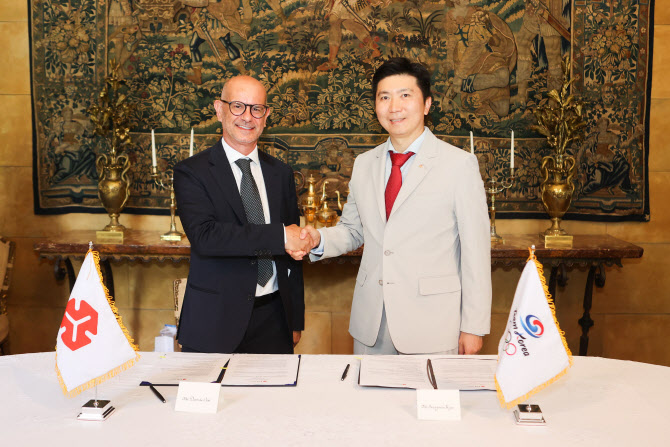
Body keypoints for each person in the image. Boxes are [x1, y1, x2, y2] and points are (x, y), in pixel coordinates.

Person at [291, 58, 491, 355]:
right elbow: (352, 231)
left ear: (427, 104)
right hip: (371, 324)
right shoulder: (364, 164)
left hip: (432, 326)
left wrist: (473, 326)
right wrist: (318, 238)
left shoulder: (458, 165)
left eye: (405, 95)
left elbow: (476, 251)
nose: (394, 107)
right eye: (384, 97)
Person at [173, 75, 313, 354]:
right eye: (238, 106)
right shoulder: (192, 172)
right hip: (214, 319)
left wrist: (295, 318)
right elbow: (206, 237)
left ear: (266, 116)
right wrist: (280, 236)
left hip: (275, 319)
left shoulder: (281, 173)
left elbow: (292, 254)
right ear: (219, 109)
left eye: (256, 109)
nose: (247, 117)